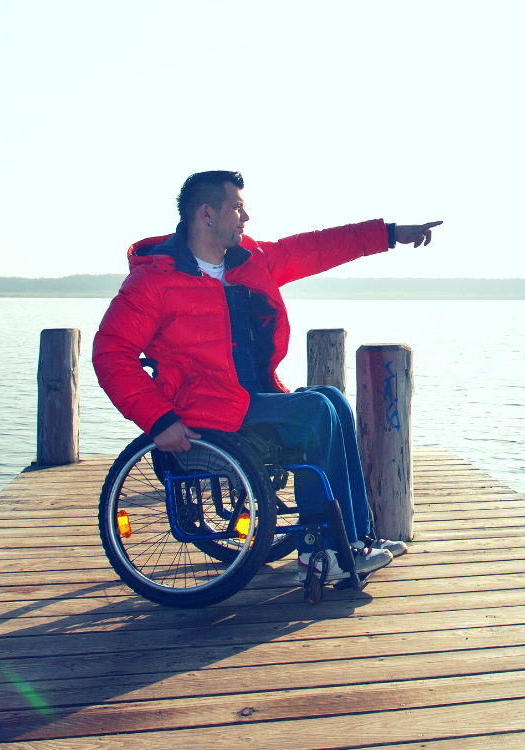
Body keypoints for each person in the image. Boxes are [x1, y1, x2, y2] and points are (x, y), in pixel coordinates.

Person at [93, 171, 440, 583]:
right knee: (314, 411)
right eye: (238, 207)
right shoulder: (154, 281)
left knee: (331, 398)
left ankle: (355, 540)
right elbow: (111, 353)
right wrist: (158, 419)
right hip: (203, 415)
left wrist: (389, 233)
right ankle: (319, 550)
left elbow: (316, 247)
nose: (246, 216)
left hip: (248, 404)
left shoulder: (249, 262)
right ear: (206, 214)